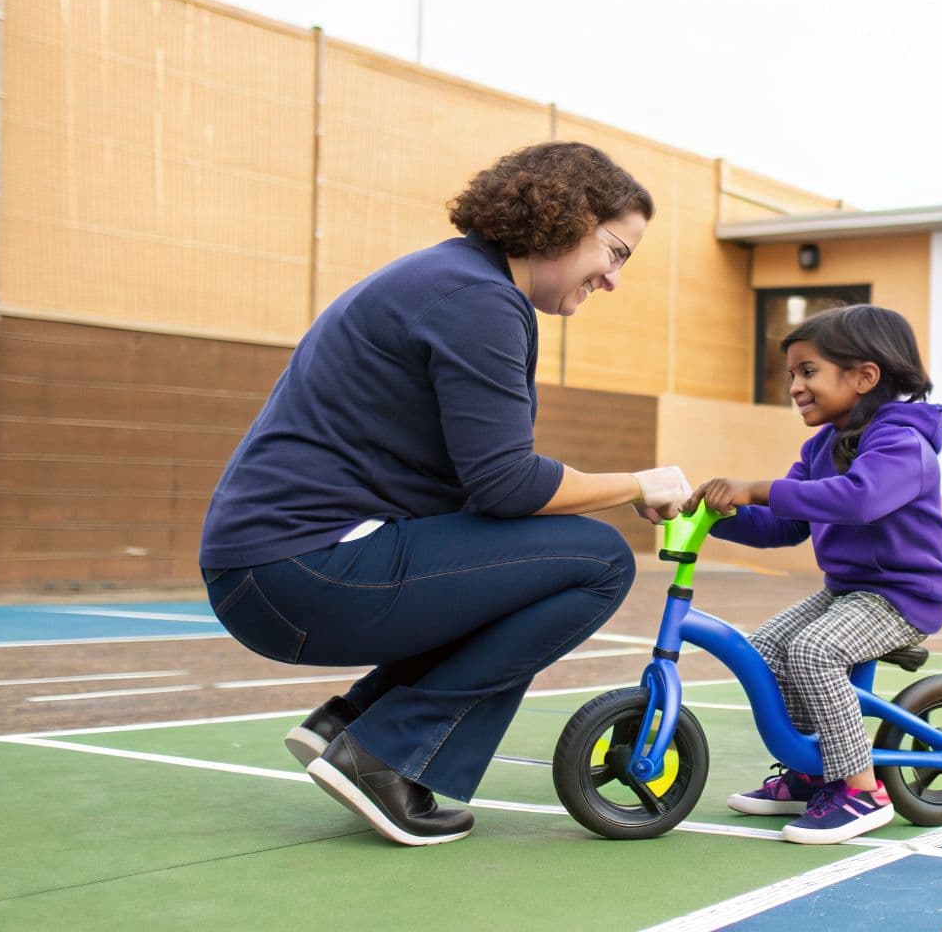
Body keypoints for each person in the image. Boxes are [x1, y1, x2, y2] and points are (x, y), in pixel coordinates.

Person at [199, 143, 693, 847]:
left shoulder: (454, 281)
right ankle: (389, 755)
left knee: (528, 561)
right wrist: (638, 484)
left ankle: (352, 725)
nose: (614, 278)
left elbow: (485, 491)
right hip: (299, 571)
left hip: (276, 569)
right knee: (599, 560)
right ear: (565, 219)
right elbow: (508, 486)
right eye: (615, 251)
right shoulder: (478, 301)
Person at [683, 304, 942, 845]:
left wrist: (756, 487)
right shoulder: (820, 448)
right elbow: (784, 527)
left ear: (864, 376)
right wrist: (713, 515)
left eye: (808, 371)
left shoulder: (901, 442)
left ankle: (861, 791)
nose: (795, 386)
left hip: (902, 597)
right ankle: (814, 771)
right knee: (759, 650)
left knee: (814, 651)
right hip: (847, 592)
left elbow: (860, 500)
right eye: (792, 375)